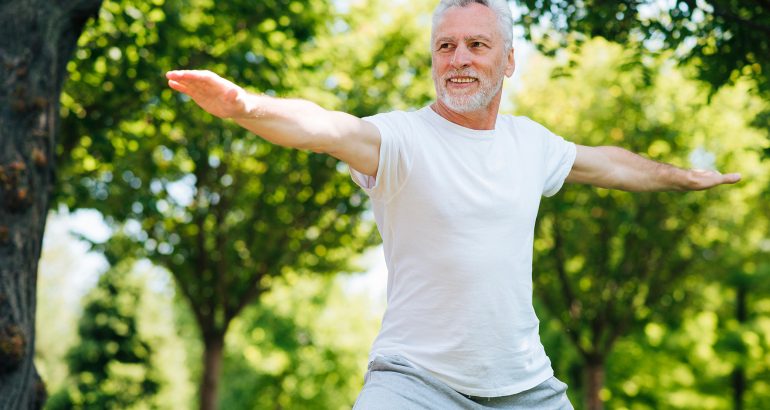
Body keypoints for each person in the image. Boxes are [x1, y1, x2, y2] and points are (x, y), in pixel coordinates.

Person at [166, 0, 740, 408]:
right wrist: (246, 106)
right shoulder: (401, 139)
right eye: (445, 46)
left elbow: (609, 165)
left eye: (476, 45)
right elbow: (324, 127)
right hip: (414, 384)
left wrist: (679, 178)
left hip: (526, 387)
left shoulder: (530, 143)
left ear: (508, 61)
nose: (458, 58)